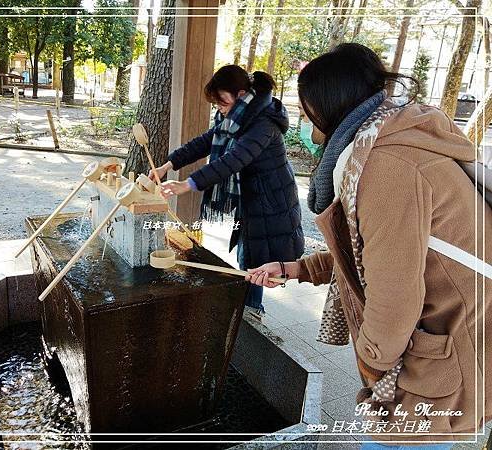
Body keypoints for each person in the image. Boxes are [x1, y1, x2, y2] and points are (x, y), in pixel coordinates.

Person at [246, 43, 491, 448]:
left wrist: (373, 366)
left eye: (308, 113)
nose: (307, 125)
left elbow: (394, 294)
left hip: (446, 352)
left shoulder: (386, 166)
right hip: (443, 338)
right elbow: (372, 251)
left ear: (328, 107)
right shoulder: (383, 140)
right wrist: (296, 269)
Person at [150, 64, 305, 317]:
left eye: (221, 102)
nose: (219, 109)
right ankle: (248, 307)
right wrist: (169, 164)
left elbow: (233, 160)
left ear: (241, 94)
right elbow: (205, 142)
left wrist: (187, 184)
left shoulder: (264, 122)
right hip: (252, 195)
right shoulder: (233, 118)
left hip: (271, 198)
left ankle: (252, 311)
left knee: (255, 258)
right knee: (249, 253)